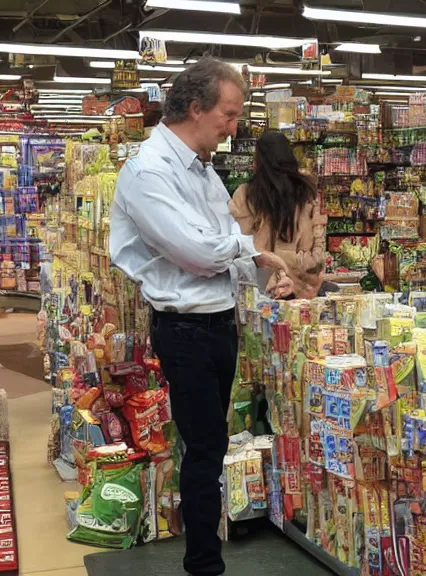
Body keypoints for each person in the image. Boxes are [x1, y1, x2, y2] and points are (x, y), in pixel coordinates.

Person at [109, 58, 291, 576]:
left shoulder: (202, 168)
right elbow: (197, 250)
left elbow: (222, 245)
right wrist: (251, 253)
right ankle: (203, 565)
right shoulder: (148, 171)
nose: (235, 128)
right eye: (228, 115)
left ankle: (205, 556)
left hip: (217, 322)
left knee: (210, 443)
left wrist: (258, 273)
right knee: (205, 447)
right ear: (195, 108)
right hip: (184, 327)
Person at [229, 130, 328, 300]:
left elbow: (238, 246)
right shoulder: (307, 196)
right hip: (299, 289)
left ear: (259, 161)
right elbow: (317, 248)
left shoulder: (246, 195)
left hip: (259, 290)